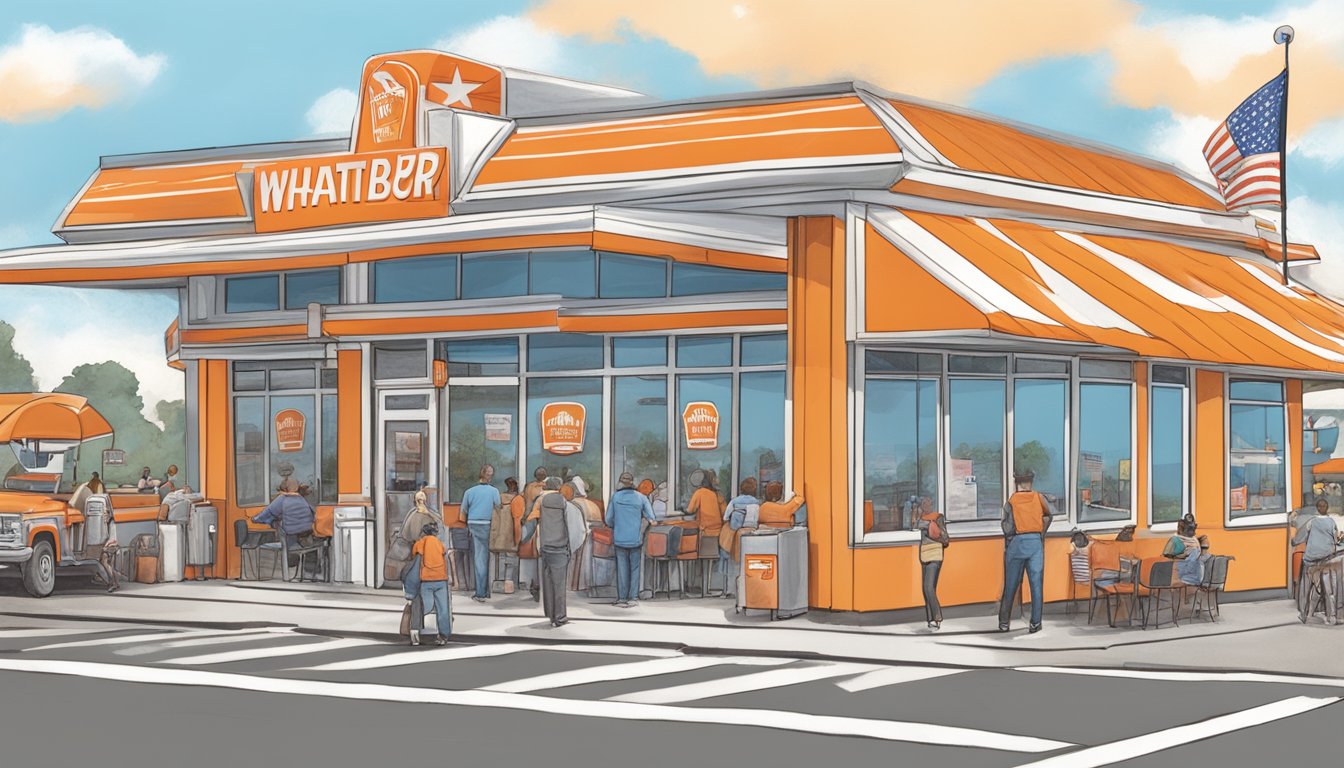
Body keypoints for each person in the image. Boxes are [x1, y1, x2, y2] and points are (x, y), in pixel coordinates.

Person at [998, 470, 1052, 633]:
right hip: (1035, 544)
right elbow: (1048, 516)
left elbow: (1006, 527)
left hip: (1017, 543)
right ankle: (1035, 623)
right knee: (1036, 586)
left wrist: (1012, 537)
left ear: (1017, 483)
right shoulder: (1039, 497)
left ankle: (1004, 622)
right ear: (1031, 483)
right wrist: (1040, 533)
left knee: (1011, 585)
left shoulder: (1012, 501)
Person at [525, 476, 572, 627]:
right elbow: (570, 525)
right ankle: (560, 617)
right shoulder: (564, 502)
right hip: (560, 547)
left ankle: (551, 615)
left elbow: (532, 522)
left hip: (545, 546)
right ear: (559, 487)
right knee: (559, 584)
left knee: (547, 583)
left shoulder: (540, 501)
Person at [606, 471, 655, 608]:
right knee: (635, 568)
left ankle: (622, 597)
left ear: (620, 483)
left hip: (620, 537)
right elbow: (651, 517)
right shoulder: (641, 498)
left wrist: (617, 525)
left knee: (622, 568)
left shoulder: (615, 497)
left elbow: (608, 519)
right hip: (635, 538)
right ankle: (633, 597)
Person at [253, 478, 317, 576]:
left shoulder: (282, 499)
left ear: (284, 489)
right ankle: (303, 570)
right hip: (306, 537)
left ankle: (285, 568)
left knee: (278, 527)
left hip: (290, 539)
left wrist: (255, 519)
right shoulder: (303, 499)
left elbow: (266, 514)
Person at [1293, 496, 1342, 624]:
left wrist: (1294, 542)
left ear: (1317, 509)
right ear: (1327, 508)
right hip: (1326, 559)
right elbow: (1336, 540)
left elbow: (1299, 538)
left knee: (1305, 588)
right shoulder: (1332, 522)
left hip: (1310, 559)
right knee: (1329, 588)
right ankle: (1331, 617)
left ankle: (1303, 614)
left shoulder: (1312, 522)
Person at [461, 465, 501, 603]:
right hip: (487, 525)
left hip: (473, 525)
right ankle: (482, 592)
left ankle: (481, 592)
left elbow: (463, 512)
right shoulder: (494, 491)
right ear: (489, 476)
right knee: (484, 559)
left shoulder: (469, 492)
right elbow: (499, 507)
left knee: (479, 559)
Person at [719, 478, 761, 597]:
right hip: (751, 536)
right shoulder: (756, 502)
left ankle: (730, 590)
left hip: (735, 535)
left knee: (732, 562)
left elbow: (725, 518)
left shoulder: (734, 501)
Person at [412, 521, 452, 645]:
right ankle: (443, 636)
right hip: (441, 580)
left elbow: (414, 555)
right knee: (443, 609)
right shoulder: (439, 544)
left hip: (426, 580)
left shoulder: (421, 543)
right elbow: (444, 554)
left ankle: (417, 631)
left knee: (424, 607)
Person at [916, 497, 948, 630]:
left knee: (928, 587)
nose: (926, 506)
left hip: (935, 556)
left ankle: (937, 616)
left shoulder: (938, 517)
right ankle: (930, 619)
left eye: (928, 503)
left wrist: (931, 529)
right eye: (924, 504)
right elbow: (913, 525)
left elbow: (946, 538)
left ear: (932, 505)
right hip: (924, 556)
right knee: (927, 589)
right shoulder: (920, 519)